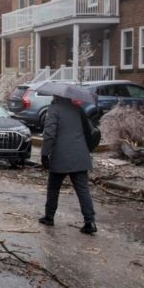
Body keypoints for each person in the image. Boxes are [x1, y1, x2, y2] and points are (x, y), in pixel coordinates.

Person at [39, 95, 97, 234]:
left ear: (55, 96)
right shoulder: (78, 109)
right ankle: (90, 222)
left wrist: (44, 154)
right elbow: (90, 130)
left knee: (53, 187)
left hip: (60, 156)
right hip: (80, 155)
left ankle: (49, 217)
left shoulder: (54, 109)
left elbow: (49, 134)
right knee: (83, 190)